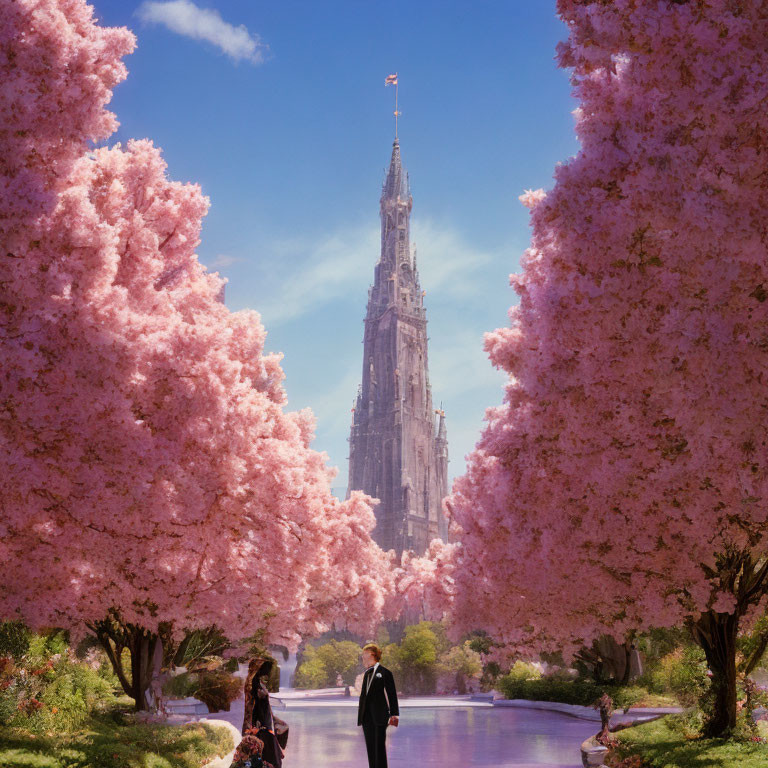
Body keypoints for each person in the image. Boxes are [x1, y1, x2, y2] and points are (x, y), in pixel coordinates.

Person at [357, 643, 399, 768]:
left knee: (379, 748)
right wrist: (361, 717)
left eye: (364, 655)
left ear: (372, 654)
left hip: (380, 716)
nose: (362, 658)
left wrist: (394, 714)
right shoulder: (367, 674)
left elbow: (392, 694)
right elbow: (364, 697)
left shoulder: (385, 673)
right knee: (371, 749)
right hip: (366, 718)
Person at [242, 658, 288, 768]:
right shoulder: (254, 684)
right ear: (259, 669)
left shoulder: (256, 682)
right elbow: (255, 705)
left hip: (264, 717)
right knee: (267, 743)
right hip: (261, 719)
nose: (268, 672)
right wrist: (259, 724)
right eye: (266, 669)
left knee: (272, 739)